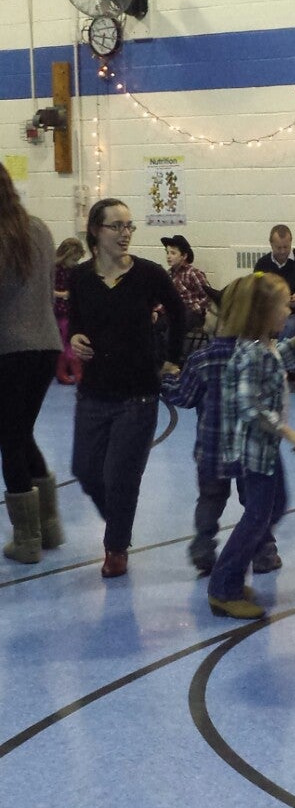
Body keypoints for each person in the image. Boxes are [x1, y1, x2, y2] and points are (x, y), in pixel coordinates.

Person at [163, 277, 295, 578]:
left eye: (210, 311)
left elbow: (183, 396)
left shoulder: (202, 360)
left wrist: (167, 377)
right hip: (250, 449)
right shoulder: (257, 352)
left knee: (210, 500)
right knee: (257, 504)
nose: (205, 315)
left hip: (213, 450)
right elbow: (279, 359)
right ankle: (263, 551)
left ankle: (203, 546)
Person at [69, 198, 186, 579]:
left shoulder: (149, 274)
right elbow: (76, 323)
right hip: (93, 392)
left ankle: (116, 546)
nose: (125, 234)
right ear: (95, 231)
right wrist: (75, 338)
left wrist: (172, 359)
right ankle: (118, 519)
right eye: (116, 226)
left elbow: (179, 313)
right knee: (86, 470)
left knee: (121, 475)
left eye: (129, 226)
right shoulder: (80, 277)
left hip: (138, 395)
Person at [206, 272, 295, 620]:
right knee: (257, 516)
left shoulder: (264, 348)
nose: (288, 310)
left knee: (274, 506)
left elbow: (277, 360)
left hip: (265, 449)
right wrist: (286, 430)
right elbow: (249, 406)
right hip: (255, 449)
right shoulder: (251, 353)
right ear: (263, 313)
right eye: (282, 305)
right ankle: (224, 587)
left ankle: (231, 577)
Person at [0, 163, 63, 564]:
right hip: (46, 345)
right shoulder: (38, 228)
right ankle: (49, 527)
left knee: (10, 439)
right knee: (21, 434)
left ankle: (26, 540)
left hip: (10, 349)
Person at [162, 234, 210, 331]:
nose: (168, 256)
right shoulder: (168, 275)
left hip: (192, 313)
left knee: (176, 324)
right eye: (167, 253)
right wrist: (157, 311)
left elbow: (208, 295)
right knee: (155, 324)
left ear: (184, 256)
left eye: (173, 253)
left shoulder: (193, 273)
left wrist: (196, 307)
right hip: (175, 312)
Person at [54, 236, 85, 384]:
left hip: (70, 310)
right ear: (65, 256)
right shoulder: (55, 270)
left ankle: (75, 370)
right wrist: (64, 294)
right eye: (73, 260)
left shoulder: (73, 271)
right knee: (64, 341)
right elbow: (46, 290)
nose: (75, 263)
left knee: (70, 341)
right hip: (59, 311)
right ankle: (64, 371)